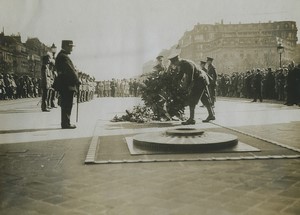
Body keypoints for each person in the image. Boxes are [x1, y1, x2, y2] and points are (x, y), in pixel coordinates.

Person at [168, 53, 215, 124]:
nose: (175, 66)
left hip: (200, 80)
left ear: (177, 61)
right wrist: (174, 82)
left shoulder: (187, 64)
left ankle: (191, 119)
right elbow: (180, 75)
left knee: (192, 98)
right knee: (204, 98)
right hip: (201, 79)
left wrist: (186, 89)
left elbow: (190, 78)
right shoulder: (182, 64)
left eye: (175, 64)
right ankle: (211, 115)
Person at [55, 40, 80, 129]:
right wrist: (77, 80)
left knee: (66, 104)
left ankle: (66, 122)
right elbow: (70, 70)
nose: (72, 49)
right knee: (67, 104)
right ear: (65, 46)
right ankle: (66, 123)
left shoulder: (61, 56)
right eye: (70, 47)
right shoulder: (63, 57)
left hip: (65, 83)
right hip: (67, 84)